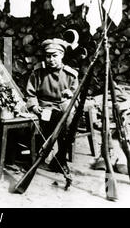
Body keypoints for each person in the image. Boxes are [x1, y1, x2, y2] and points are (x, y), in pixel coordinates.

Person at [25, 38, 79, 173]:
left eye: (55, 56)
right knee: (47, 123)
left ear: (62, 55)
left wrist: (70, 94)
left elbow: (75, 94)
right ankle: (39, 157)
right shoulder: (38, 72)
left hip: (62, 106)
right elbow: (30, 93)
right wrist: (34, 106)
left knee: (68, 124)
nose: (51, 59)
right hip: (45, 106)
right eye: (48, 56)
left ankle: (61, 159)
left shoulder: (70, 74)